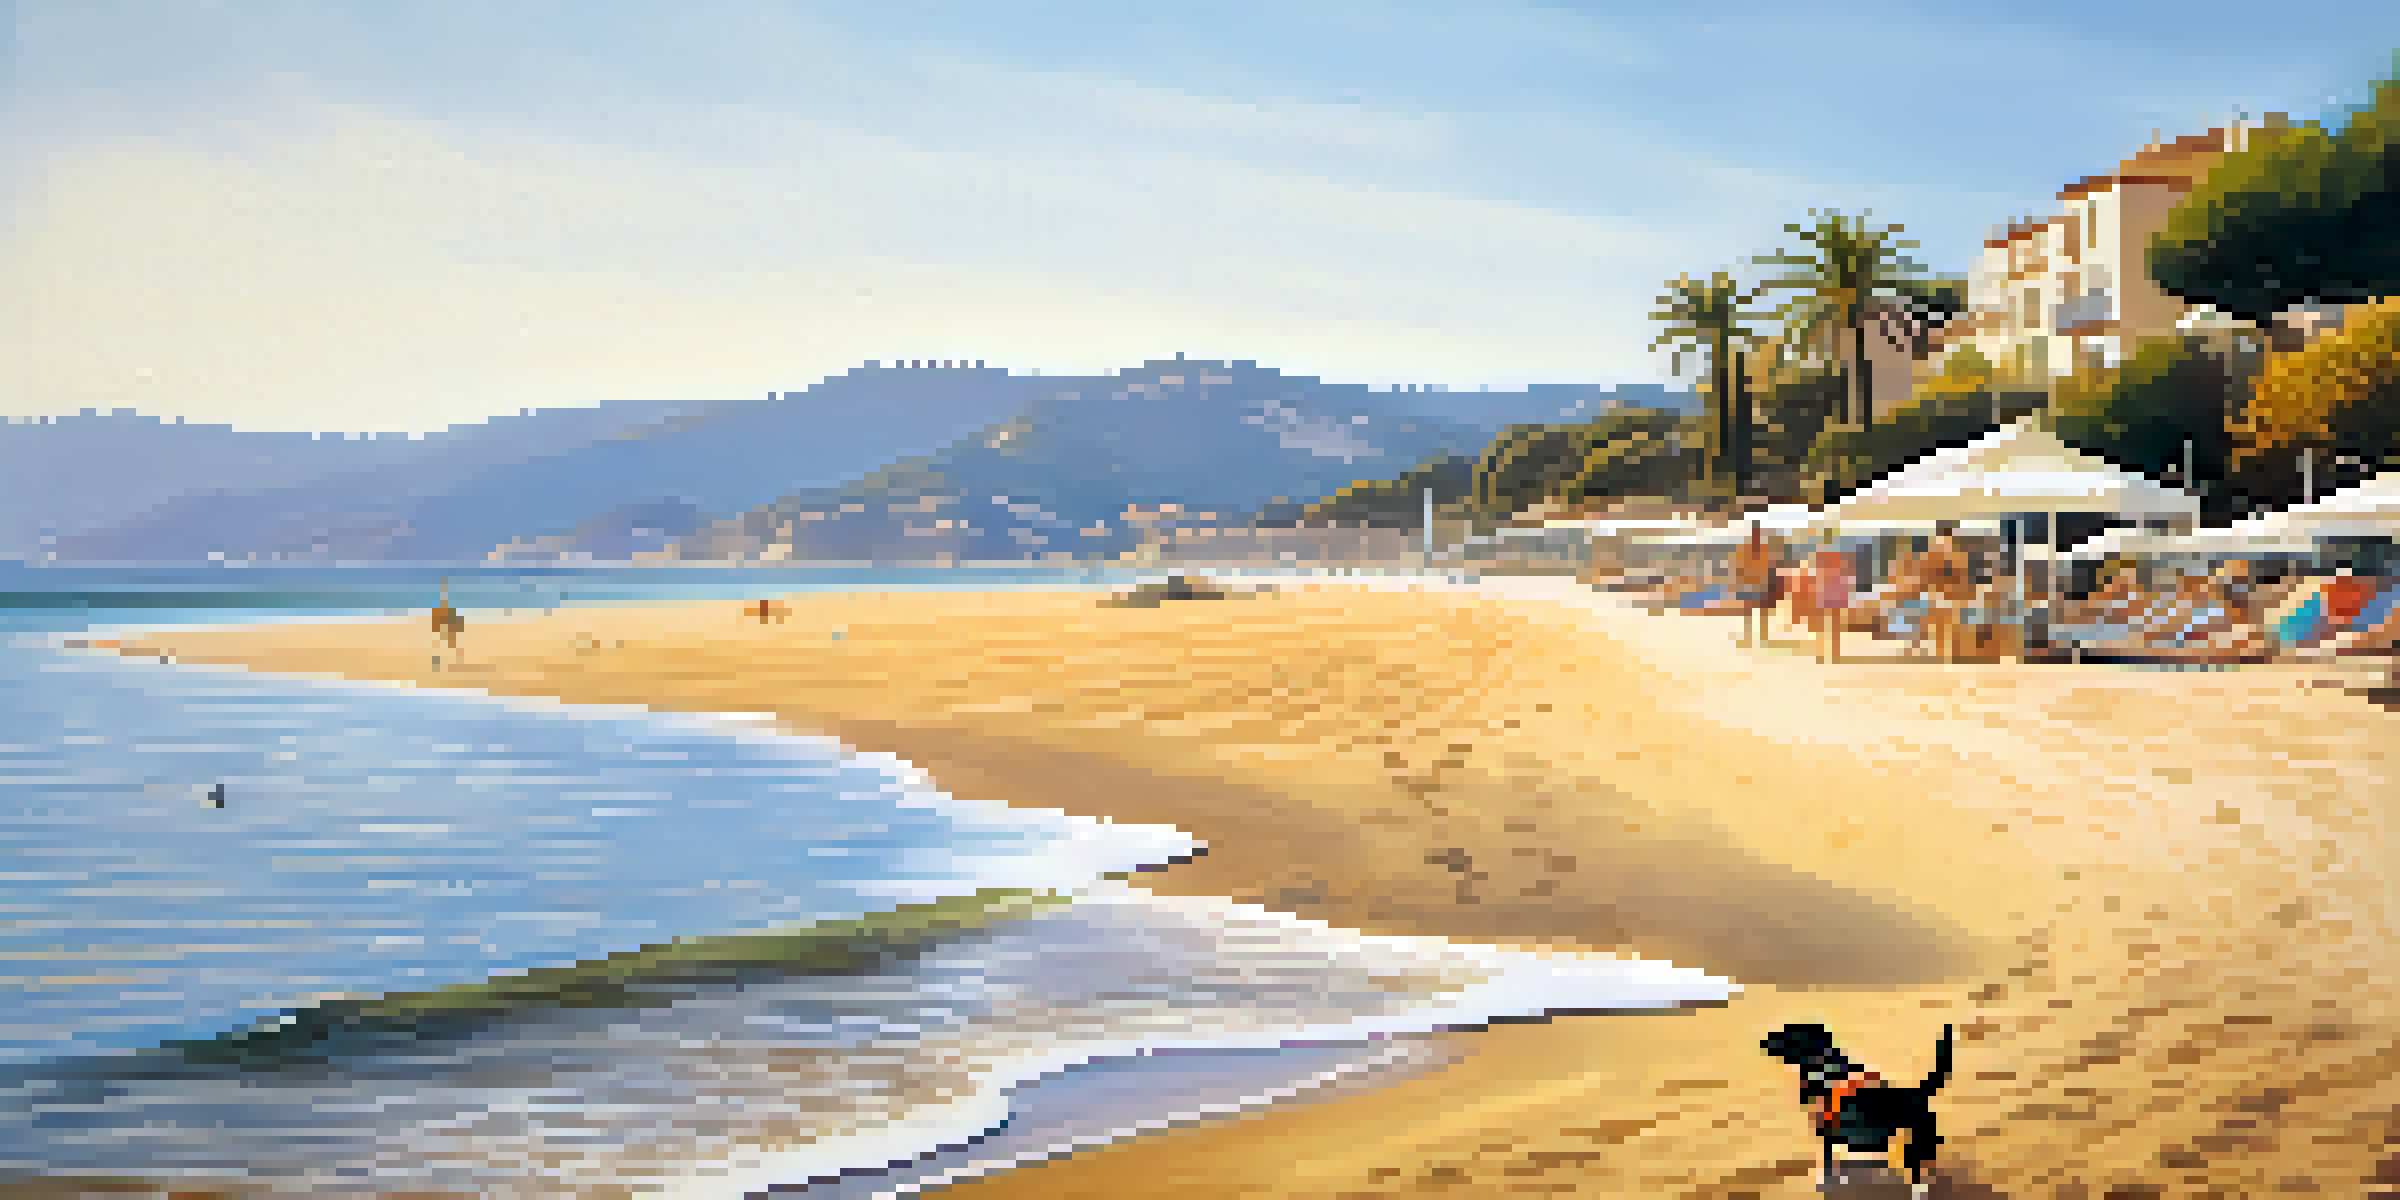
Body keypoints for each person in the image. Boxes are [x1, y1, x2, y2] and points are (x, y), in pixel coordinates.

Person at [1734, 523, 1778, 648]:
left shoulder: (1762, 549)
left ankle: (1761, 637)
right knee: (1749, 610)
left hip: (1760, 582)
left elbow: (1770, 566)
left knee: (1761, 611)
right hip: (1751, 582)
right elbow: (1740, 566)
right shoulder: (1747, 548)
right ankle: (1751, 637)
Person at [1815, 548, 1854, 664]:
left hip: (1828, 596)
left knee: (1824, 627)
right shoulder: (1839, 559)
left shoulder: (1822, 559)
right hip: (1834, 596)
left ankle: (1823, 654)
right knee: (1832, 627)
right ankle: (1832, 654)